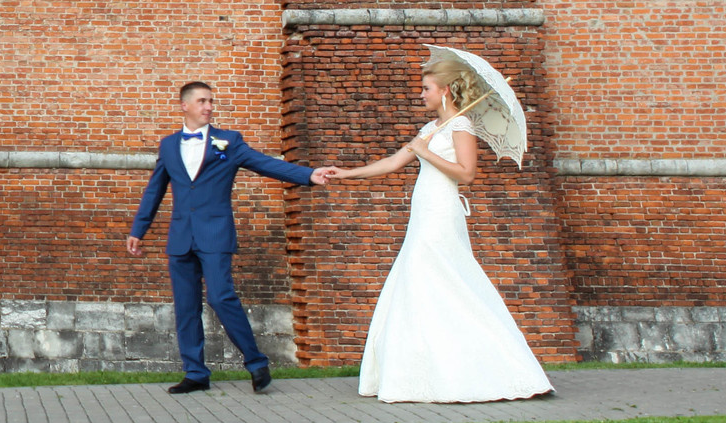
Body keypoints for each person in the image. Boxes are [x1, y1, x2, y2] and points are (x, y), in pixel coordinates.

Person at [328, 49, 554, 403]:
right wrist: (347, 173)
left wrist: (426, 152)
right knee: (419, 281)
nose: (421, 94)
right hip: (423, 212)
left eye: (426, 88)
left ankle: (493, 370)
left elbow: (466, 175)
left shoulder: (462, 126)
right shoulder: (430, 129)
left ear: (445, 90)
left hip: (442, 213)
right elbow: (392, 163)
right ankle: (422, 373)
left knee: (439, 277)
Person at [126, 81, 340, 395]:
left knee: (220, 297)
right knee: (186, 307)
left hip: (215, 236)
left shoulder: (228, 141)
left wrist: (308, 175)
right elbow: (155, 189)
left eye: (211, 101)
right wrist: (138, 230)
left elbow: (265, 164)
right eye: (202, 101)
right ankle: (195, 373)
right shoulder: (169, 145)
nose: (208, 107)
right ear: (185, 105)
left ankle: (255, 362)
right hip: (181, 237)